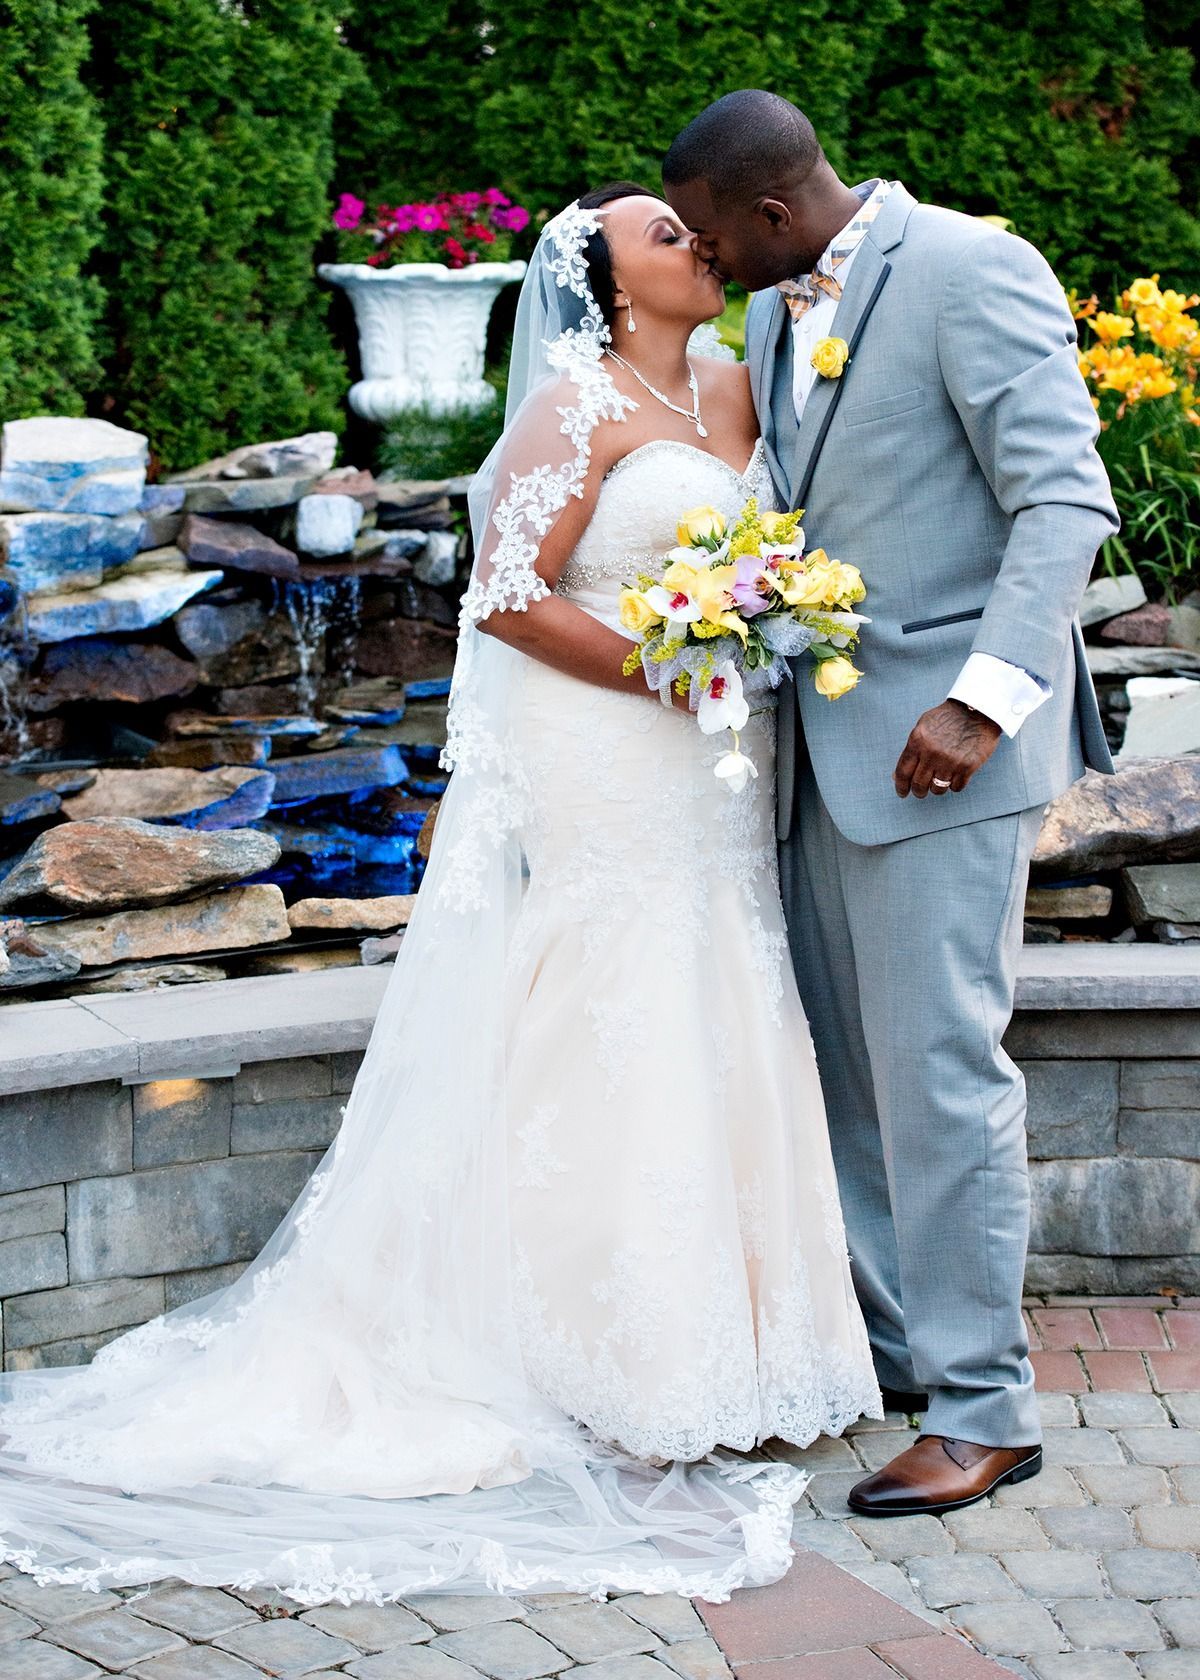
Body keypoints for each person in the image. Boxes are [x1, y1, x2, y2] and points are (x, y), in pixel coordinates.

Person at [0, 184, 881, 1606]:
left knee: (722, 977)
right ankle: (596, 1347)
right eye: (667, 236)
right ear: (604, 282)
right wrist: (672, 661)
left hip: (723, 744)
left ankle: (748, 1338)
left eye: (698, 231)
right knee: (614, 1000)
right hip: (614, 737)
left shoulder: (733, 384)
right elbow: (509, 596)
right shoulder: (570, 407)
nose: (701, 247)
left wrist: (764, 609)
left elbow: (752, 551)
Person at [664, 91, 1119, 1517]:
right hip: (816, 763)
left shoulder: (976, 269)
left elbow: (1065, 501)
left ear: (775, 211)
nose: (710, 267)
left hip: (946, 755)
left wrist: (980, 702)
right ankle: (906, 1354)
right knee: (845, 1079)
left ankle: (989, 1412)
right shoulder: (779, 315)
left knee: (939, 1077)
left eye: (717, 239)